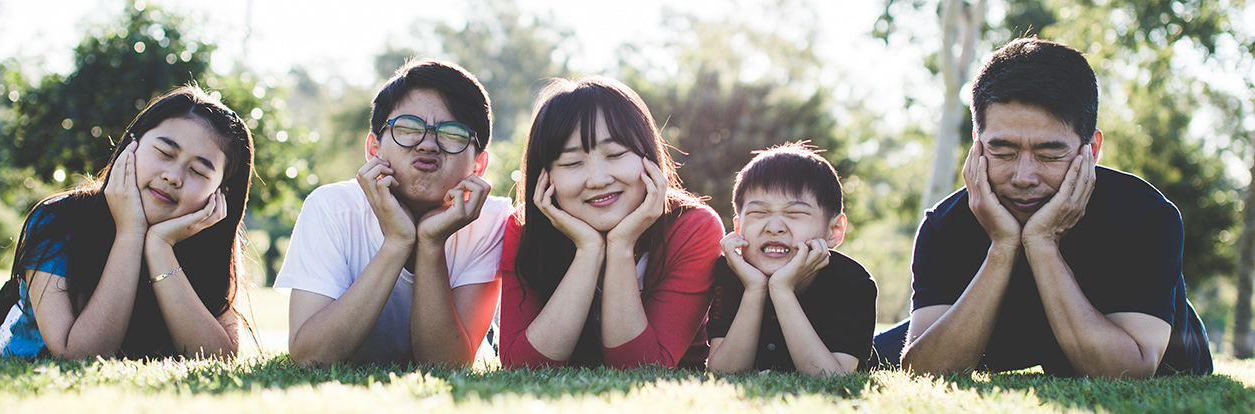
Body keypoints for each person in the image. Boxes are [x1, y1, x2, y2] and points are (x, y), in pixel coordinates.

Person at [874, 37, 1213, 377]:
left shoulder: (1146, 217)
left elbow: (1129, 371)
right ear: (977, 147)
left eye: (1049, 155)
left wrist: (1042, 244)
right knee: (862, 353)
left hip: (1122, 331)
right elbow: (924, 371)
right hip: (1000, 331)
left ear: (1091, 151)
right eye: (1003, 152)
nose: (1024, 177)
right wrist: (1003, 247)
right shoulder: (943, 226)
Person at [0, 85, 255, 359]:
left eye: (198, 171)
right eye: (164, 152)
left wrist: (160, 246)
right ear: (133, 144)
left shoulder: (209, 237)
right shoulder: (57, 218)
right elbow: (77, 354)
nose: (173, 176)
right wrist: (130, 233)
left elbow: (218, 357)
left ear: (220, 192)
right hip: (20, 326)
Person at [278, 60, 510, 366]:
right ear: (373, 148)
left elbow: (445, 366)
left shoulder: (491, 221)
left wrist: (431, 242)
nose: (428, 145)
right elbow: (310, 357)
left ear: (479, 165)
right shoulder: (331, 208)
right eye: (408, 128)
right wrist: (397, 242)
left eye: (452, 134)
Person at [498, 76, 723, 369]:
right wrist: (588, 250)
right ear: (545, 176)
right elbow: (523, 367)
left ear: (649, 157)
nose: (598, 179)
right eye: (571, 163)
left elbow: (641, 369)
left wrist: (620, 246)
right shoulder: (525, 230)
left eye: (615, 154)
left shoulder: (693, 229)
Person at [705, 142, 876, 375]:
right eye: (759, 213)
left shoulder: (853, 282)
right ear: (738, 227)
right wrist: (754, 289)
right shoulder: (732, 271)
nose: (774, 228)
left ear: (834, 230)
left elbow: (832, 377)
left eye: (795, 213)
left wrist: (782, 289)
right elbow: (724, 372)